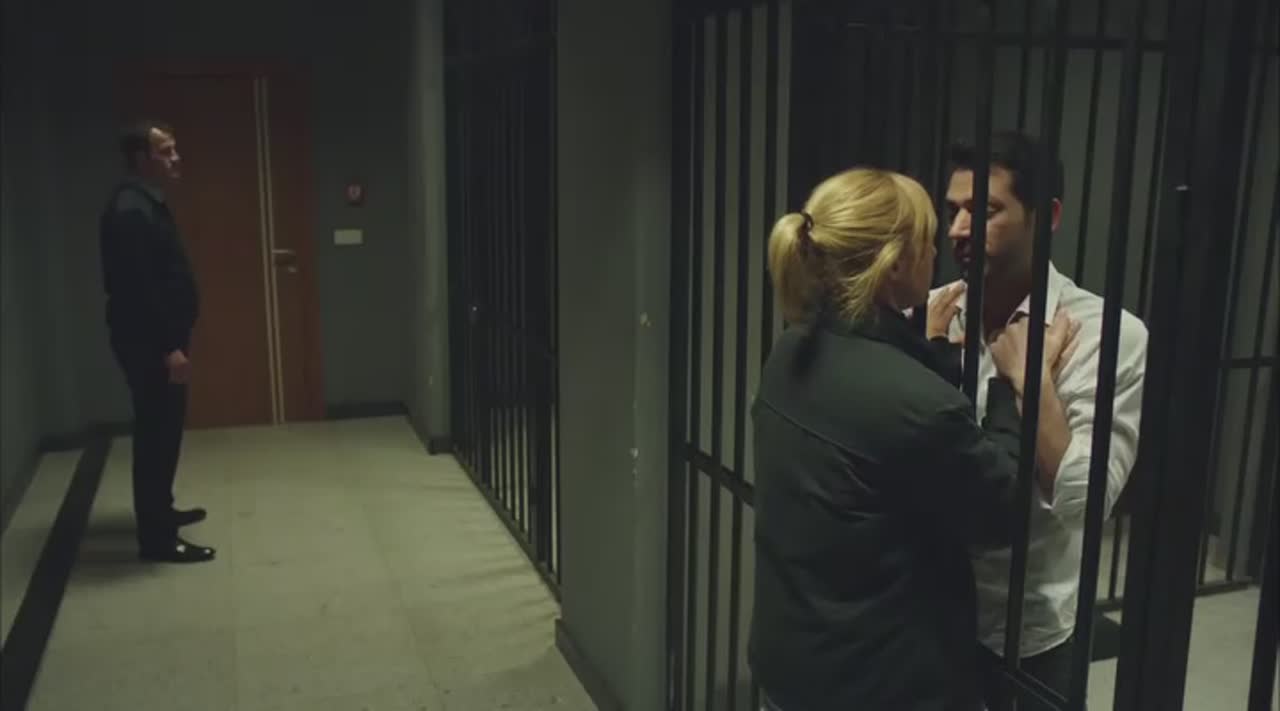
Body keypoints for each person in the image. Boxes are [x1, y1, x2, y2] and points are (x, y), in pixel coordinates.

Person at [749, 167, 1080, 710]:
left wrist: (927, 352)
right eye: (928, 237)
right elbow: (1006, 513)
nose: (941, 247)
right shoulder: (914, 403)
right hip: (876, 689)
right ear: (897, 263)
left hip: (794, 665)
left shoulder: (794, 348)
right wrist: (1014, 383)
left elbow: (879, 433)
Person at [929, 130, 1148, 709]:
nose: (957, 229)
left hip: (1031, 625)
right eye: (952, 211)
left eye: (985, 211)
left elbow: (1085, 501)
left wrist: (1033, 384)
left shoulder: (1107, 335)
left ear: (1046, 218)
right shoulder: (935, 312)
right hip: (927, 607)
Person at [99, 119, 215, 563]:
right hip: (151, 344)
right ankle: (157, 539)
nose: (176, 158)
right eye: (166, 152)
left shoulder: (145, 202)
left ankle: (161, 513)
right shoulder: (131, 210)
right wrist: (170, 347)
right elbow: (139, 289)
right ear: (141, 158)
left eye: (174, 149)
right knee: (156, 438)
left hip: (157, 339)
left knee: (164, 433)